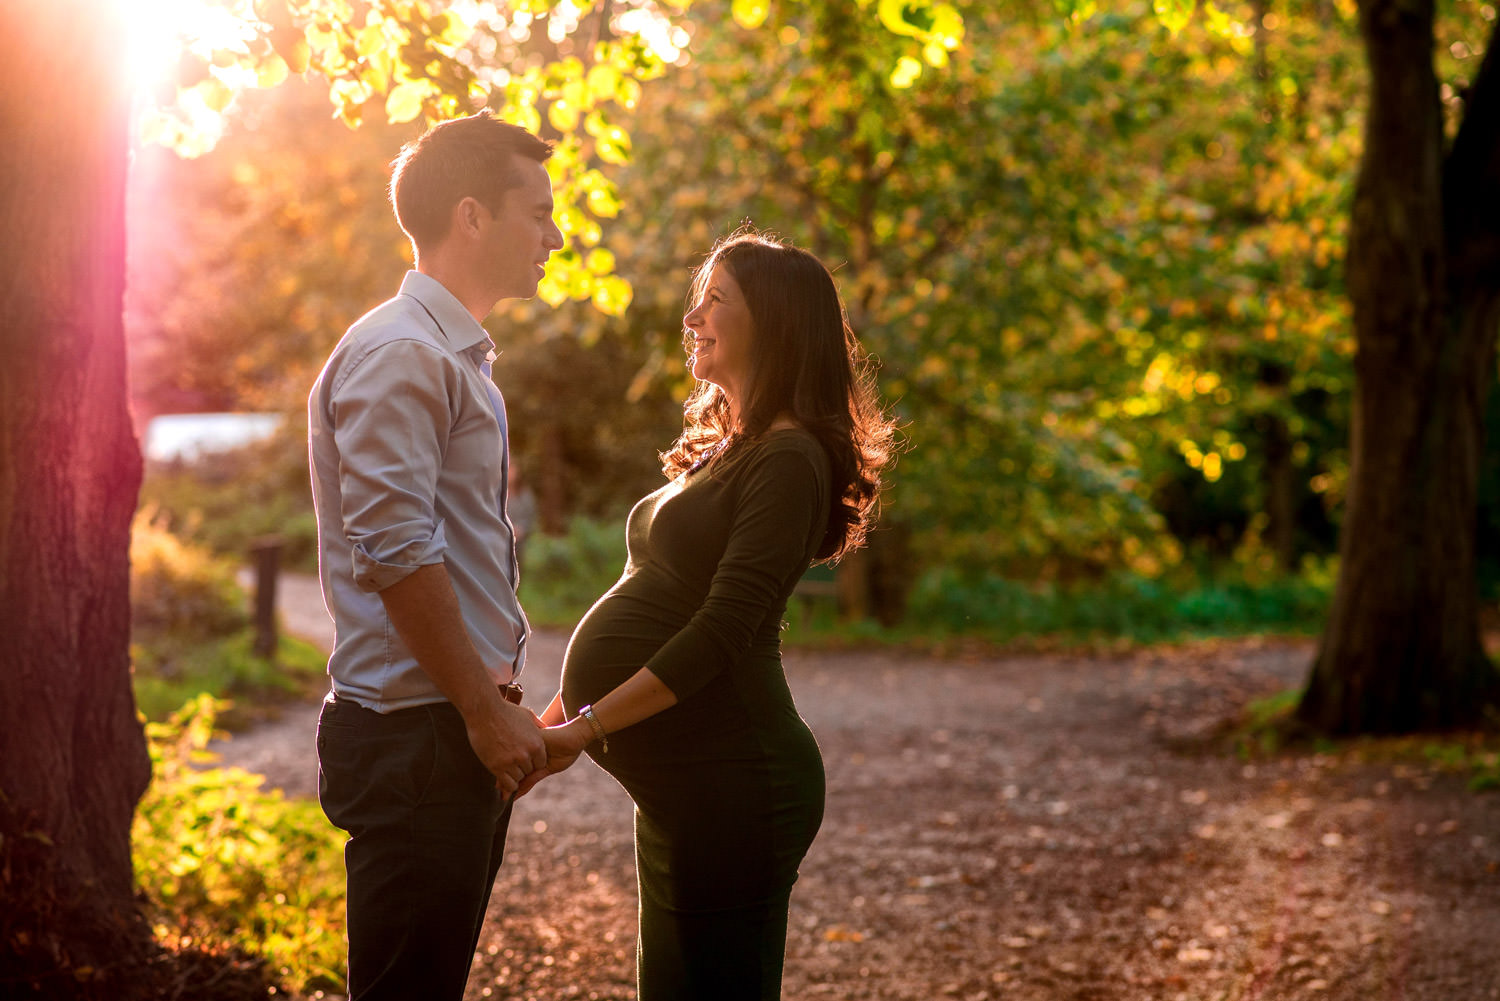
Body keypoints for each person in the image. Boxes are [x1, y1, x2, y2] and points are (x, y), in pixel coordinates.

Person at [523, 228, 896, 999]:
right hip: (683, 793)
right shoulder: (728, 449)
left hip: (735, 784)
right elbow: (653, 589)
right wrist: (553, 724)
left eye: (715, 300)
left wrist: (587, 727)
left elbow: (723, 629)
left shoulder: (789, 459)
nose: (692, 318)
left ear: (776, 321)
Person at [306, 111, 564, 1001]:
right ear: (472, 217)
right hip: (418, 736)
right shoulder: (404, 353)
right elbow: (397, 550)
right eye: (538, 213)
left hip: (446, 728)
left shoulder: (454, 356)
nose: (555, 236)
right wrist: (481, 713)